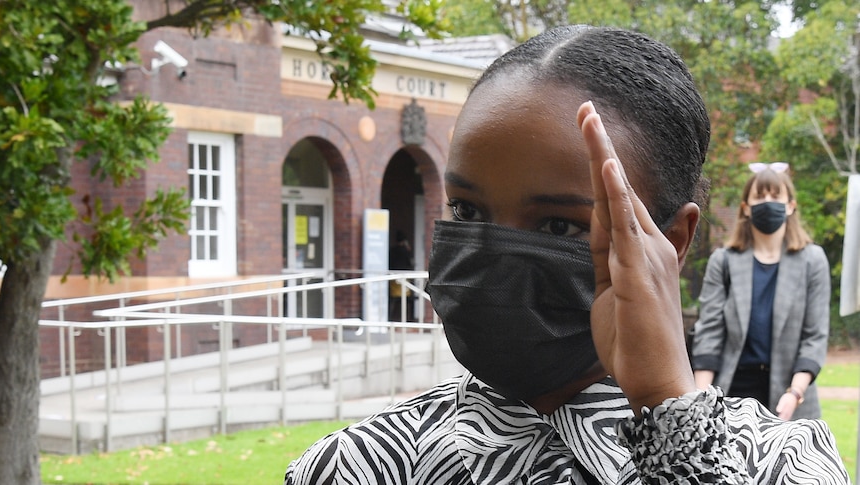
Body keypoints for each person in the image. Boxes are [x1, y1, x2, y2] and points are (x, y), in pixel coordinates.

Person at [285, 26, 848, 484]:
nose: (492, 255)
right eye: (466, 212)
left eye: (559, 224)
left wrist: (668, 415)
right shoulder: (358, 467)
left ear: (672, 242)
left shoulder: (782, 463)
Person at [691, 163, 831, 421]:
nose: (768, 202)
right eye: (760, 196)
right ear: (745, 207)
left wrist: (795, 393)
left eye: (775, 196)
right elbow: (709, 332)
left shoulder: (813, 260)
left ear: (790, 205)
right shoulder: (723, 261)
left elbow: (815, 337)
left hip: (790, 396)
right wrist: (700, 400)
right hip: (732, 395)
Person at [388, 230, 415, 321]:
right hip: (404, 279)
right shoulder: (405, 251)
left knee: (393, 300)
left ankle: (391, 317)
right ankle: (408, 319)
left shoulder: (392, 250)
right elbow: (410, 264)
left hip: (393, 279)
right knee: (408, 299)